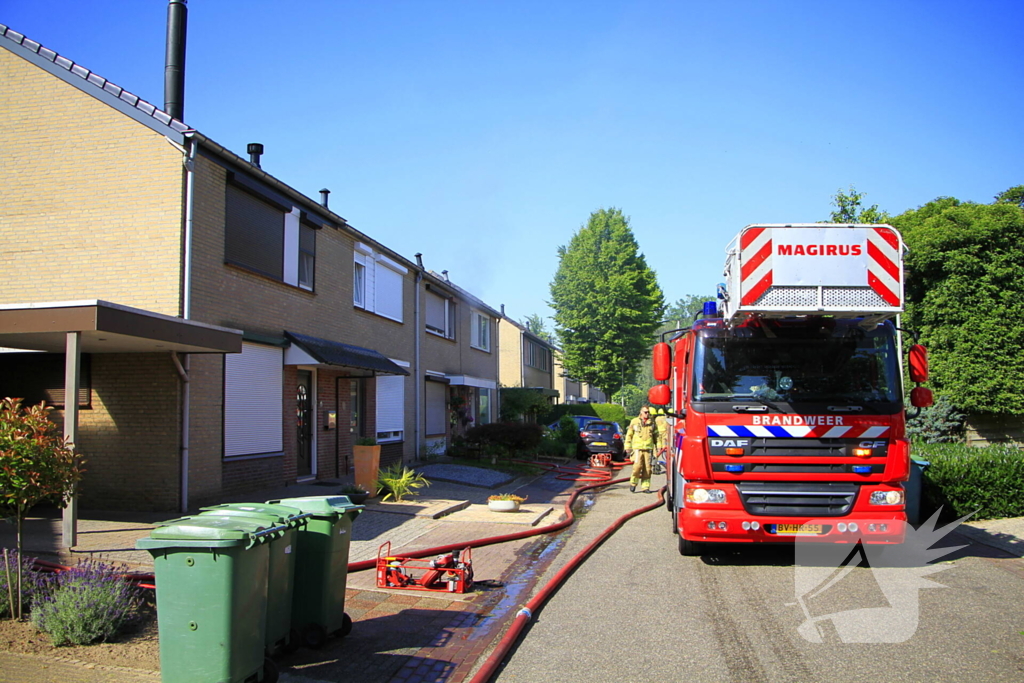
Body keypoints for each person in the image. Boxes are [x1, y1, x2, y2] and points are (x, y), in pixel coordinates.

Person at [624, 406, 659, 493]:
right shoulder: (635, 421)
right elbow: (629, 435)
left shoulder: (652, 422)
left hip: (648, 449)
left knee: (648, 469)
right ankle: (633, 483)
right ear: (641, 412)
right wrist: (627, 446)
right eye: (645, 412)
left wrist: (659, 446)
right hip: (637, 449)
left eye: (648, 412)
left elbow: (656, 436)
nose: (647, 414)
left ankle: (645, 487)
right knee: (637, 467)